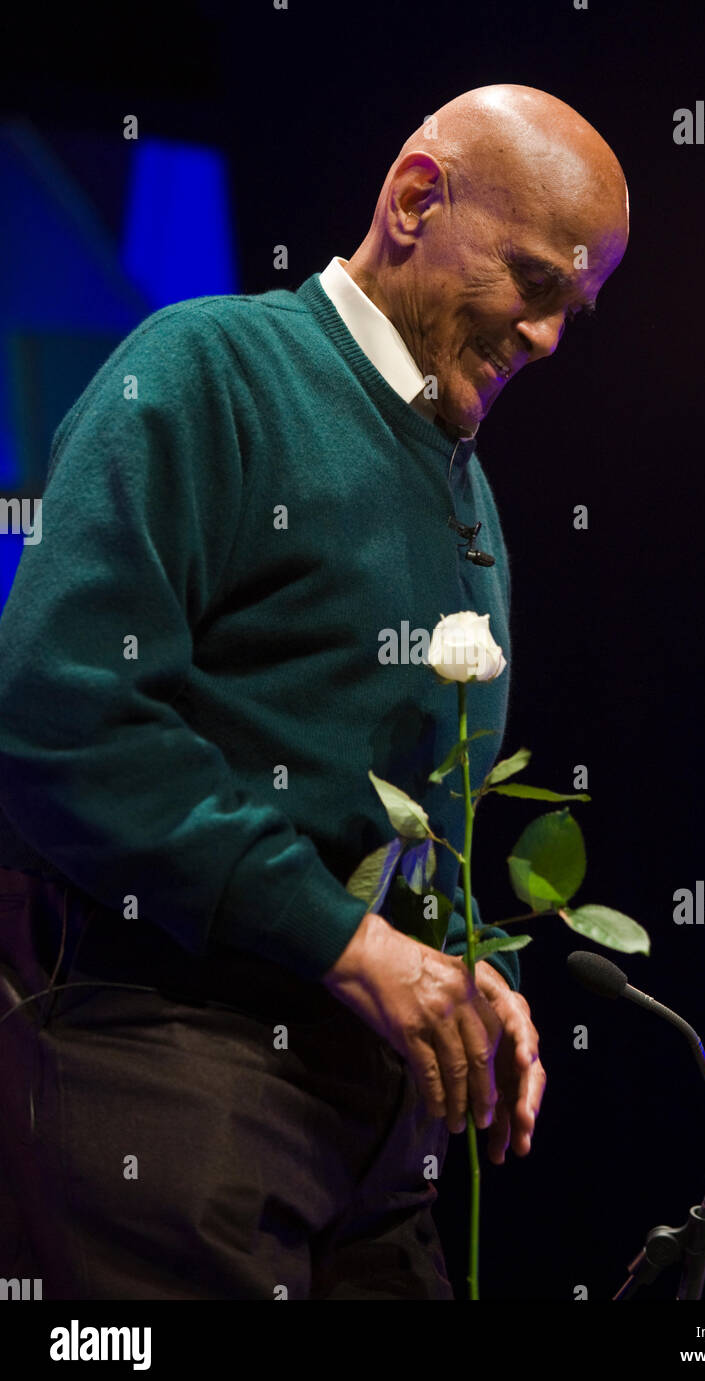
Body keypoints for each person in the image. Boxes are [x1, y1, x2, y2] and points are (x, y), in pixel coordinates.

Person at [0, 83, 628, 1299]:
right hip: (168, 1074)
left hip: (374, 1126)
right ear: (412, 200)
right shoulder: (210, 368)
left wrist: (447, 963)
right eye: (533, 282)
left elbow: (369, 814)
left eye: (576, 308)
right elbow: (57, 709)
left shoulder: (468, 486)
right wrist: (340, 939)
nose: (549, 337)